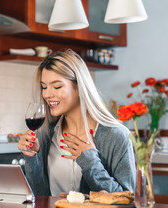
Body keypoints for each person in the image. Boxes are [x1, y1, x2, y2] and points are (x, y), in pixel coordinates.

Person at [18, 50, 136, 196]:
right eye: (44, 87)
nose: (47, 94)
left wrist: (90, 161)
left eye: (57, 87)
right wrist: (31, 157)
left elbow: (127, 199)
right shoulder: (47, 133)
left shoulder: (116, 135)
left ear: (79, 87)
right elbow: (40, 195)